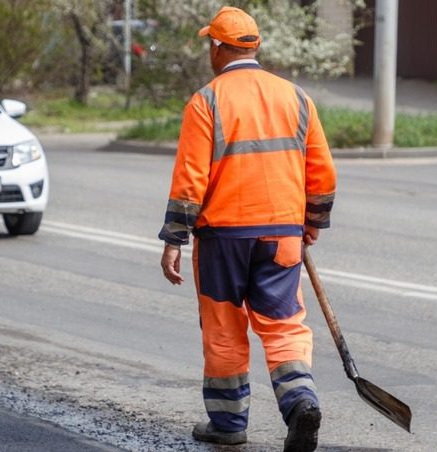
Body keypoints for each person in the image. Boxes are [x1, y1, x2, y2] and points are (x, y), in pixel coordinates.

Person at [158, 6, 336, 452]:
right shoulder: (295, 97)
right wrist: (310, 224)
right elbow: (323, 174)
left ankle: (229, 422)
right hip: (281, 235)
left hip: (222, 238)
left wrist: (174, 239)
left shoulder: (207, 100)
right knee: (284, 325)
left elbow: (190, 180)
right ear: (254, 47)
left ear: (217, 47)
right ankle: (300, 402)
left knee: (224, 328)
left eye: (209, 45)